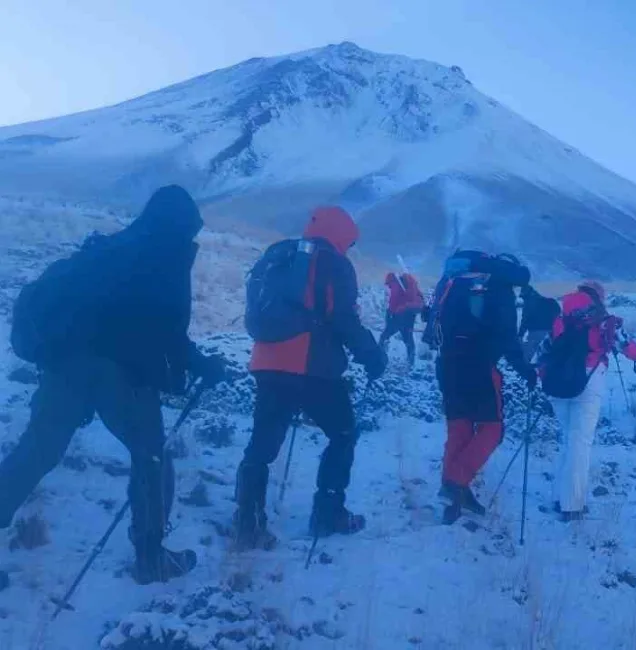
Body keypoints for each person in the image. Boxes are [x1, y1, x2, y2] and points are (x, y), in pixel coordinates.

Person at [0, 185, 227, 584]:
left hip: (63, 363)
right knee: (152, 459)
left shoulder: (113, 248)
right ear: (182, 225)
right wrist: (202, 364)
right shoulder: (164, 254)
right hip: (119, 373)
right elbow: (169, 330)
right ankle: (150, 557)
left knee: (37, 452)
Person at [235, 206, 387, 549]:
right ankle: (329, 513)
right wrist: (371, 356)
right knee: (343, 433)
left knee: (261, 444)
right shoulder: (333, 262)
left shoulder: (279, 256)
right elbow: (343, 318)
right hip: (312, 366)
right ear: (342, 235)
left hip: (266, 361)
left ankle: (247, 522)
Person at [433, 251, 537, 524]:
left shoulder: (451, 281)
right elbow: (507, 337)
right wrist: (525, 370)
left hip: (446, 364)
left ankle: (454, 494)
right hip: (479, 367)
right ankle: (455, 482)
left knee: (460, 427)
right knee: (492, 429)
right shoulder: (499, 288)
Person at [539, 281, 636, 521]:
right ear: (598, 297)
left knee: (568, 439)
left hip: (556, 383)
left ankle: (559, 496)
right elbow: (627, 347)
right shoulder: (604, 319)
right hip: (589, 379)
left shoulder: (561, 319)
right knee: (580, 442)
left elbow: (543, 350)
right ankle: (572, 505)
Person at [380, 271, 424, 368]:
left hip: (400, 315)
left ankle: (379, 356)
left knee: (384, 336)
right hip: (410, 314)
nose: (388, 287)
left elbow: (393, 302)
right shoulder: (405, 285)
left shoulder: (395, 285)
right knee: (408, 338)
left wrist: (390, 314)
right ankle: (411, 361)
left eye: (388, 284)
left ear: (390, 281)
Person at [519, 284, 561, 361]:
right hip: (550, 330)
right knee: (545, 351)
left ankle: (526, 369)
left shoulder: (529, 302)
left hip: (536, 330)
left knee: (528, 353)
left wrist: (521, 334)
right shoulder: (547, 300)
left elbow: (525, 318)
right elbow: (558, 311)